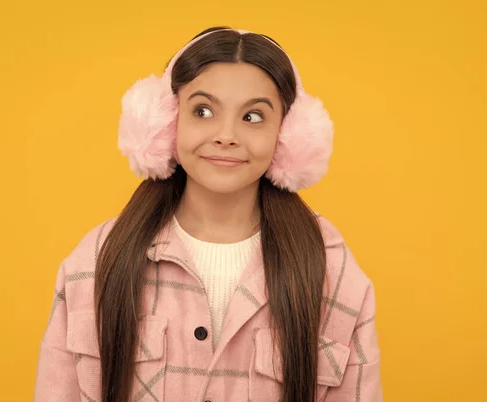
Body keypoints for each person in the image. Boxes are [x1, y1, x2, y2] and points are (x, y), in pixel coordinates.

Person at [34, 26, 383, 402]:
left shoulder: (333, 269)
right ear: (164, 122)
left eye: (253, 117)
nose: (226, 135)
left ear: (289, 135)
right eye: (203, 111)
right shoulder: (96, 259)